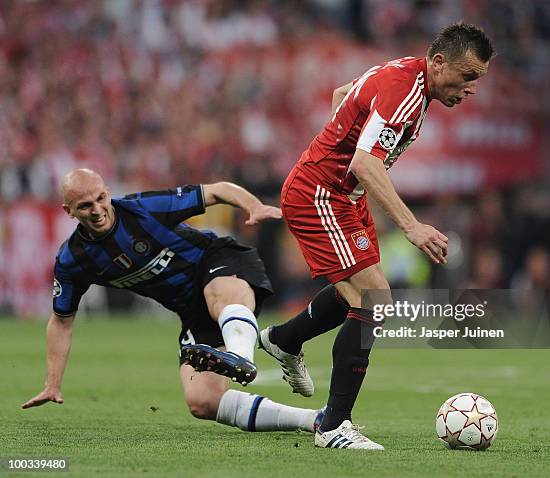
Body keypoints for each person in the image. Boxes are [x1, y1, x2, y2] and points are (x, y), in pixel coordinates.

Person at [259, 22, 494, 449]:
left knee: (361, 295)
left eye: (478, 78)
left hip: (343, 196)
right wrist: (412, 225)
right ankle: (332, 426)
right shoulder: (405, 90)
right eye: (468, 75)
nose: (472, 87)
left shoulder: (406, 75)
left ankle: (283, 339)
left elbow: (341, 96)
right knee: (374, 300)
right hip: (322, 194)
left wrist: (337, 144)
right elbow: (365, 164)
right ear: (439, 62)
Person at [22, 168, 323, 434]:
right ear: (69, 211)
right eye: (85, 206)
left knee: (218, 296)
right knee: (201, 401)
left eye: (101, 198)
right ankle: (314, 420)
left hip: (218, 260)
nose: (97, 210)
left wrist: (253, 205)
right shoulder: (73, 259)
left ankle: (241, 356)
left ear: (108, 193)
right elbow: (61, 322)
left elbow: (217, 191)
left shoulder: (143, 209)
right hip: (191, 309)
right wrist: (52, 383)